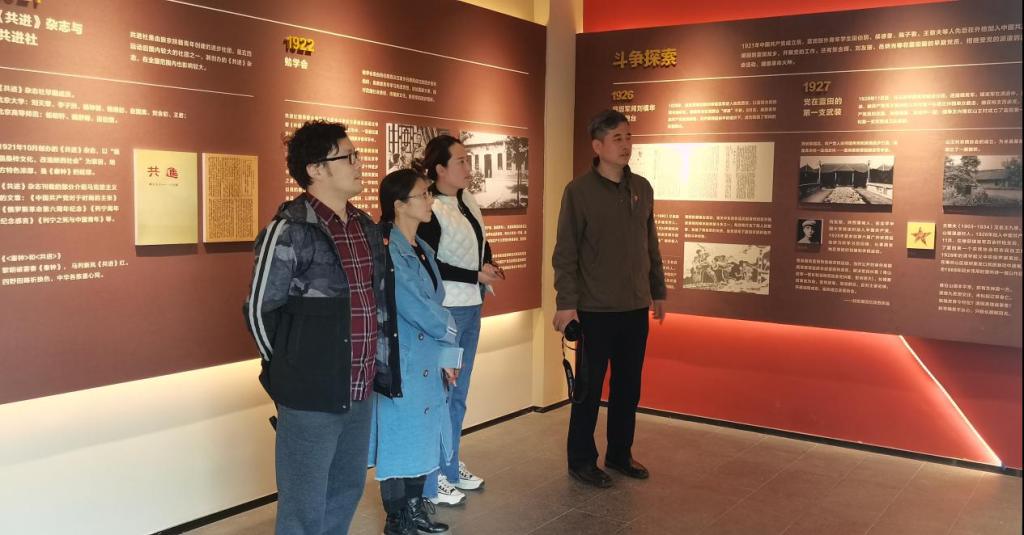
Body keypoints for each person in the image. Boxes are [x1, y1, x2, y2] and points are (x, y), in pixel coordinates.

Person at [243, 120, 393, 534]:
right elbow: (259, 310)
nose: (359, 164)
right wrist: (289, 369)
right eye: (348, 157)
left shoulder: (364, 227)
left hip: (359, 386)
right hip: (310, 394)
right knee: (303, 505)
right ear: (315, 169)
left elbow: (376, 303)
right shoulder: (289, 231)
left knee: (346, 490)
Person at [552, 109, 666, 488]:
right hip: (594, 310)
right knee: (588, 390)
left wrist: (657, 291)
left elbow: (650, 244)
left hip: (634, 307)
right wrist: (566, 303)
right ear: (597, 146)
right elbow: (566, 252)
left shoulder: (642, 188)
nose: (626, 144)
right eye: (617, 138)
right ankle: (581, 459)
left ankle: (620, 452)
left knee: (628, 387)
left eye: (628, 137)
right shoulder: (579, 192)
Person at [369, 168, 463, 535]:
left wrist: (449, 358)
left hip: (428, 358)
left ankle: (415, 508)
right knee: (400, 439)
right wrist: (449, 329)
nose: (430, 200)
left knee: (422, 436)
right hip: (402, 360)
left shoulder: (421, 247)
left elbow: (436, 303)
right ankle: (398, 518)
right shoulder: (388, 249)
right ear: (399, 205)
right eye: (423, 195)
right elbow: (416, 305)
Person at [416, 134, 504, 505]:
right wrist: (474, 274)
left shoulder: (467, 201)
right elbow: (431, 262)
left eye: (468, 160)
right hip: (447, 312)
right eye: (461, 161)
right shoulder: (431, 208)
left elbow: (479, 243)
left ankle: (450, 465)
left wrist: (488, 264)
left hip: (471, 307)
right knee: (441, 394)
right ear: (440, 168)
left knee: (459, 395)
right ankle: (432, 477)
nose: (469, 167)